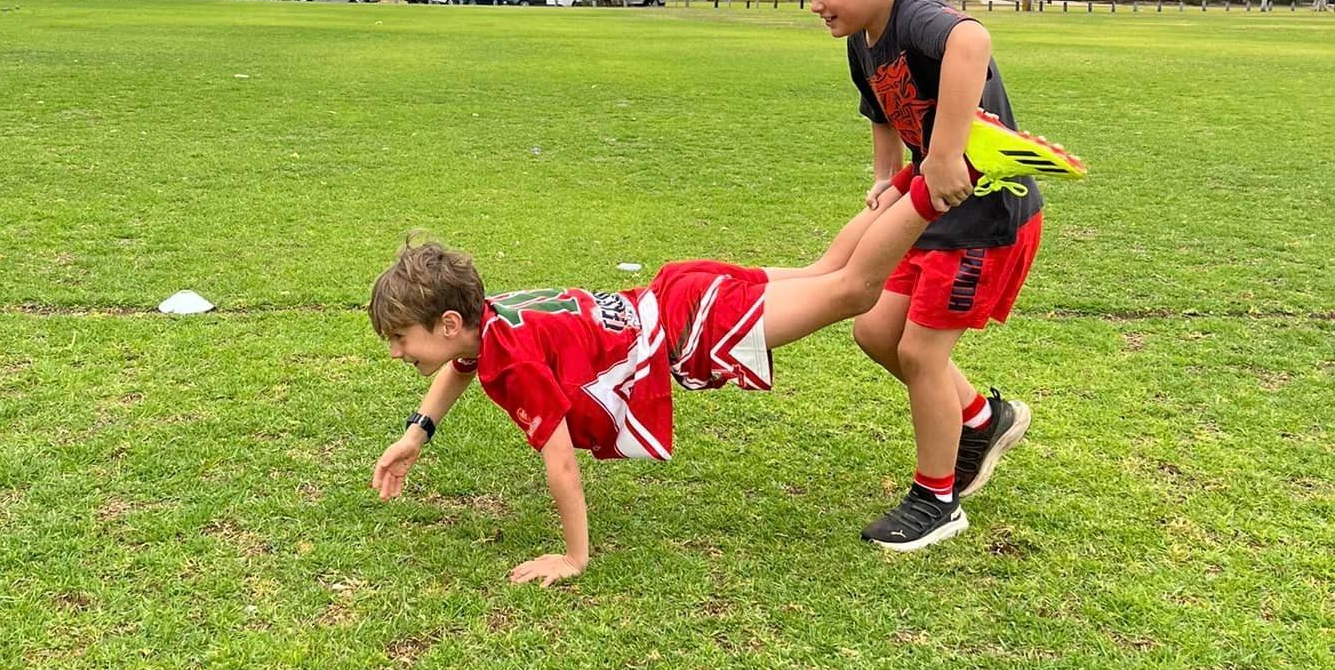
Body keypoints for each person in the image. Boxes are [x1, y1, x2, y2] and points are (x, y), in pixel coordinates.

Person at [367, 116, 1076, 585]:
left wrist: (574, 556)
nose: (399, 353)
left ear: (453, 320)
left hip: (690, 327)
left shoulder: (509, 363)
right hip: (678, 290)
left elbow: (559, 462)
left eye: (403, 339)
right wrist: (415, 436)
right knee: (829, 268)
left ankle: (936, 182)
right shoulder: (497, 320)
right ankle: (917, 176)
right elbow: (460, 368)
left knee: (853, 290)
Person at [793, 0, 1060, 553]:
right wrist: (887, 176)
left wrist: (943, 155)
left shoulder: (917, 17)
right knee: (876, 331)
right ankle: (980, 417)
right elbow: (881, 107)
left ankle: (938, 501)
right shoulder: (862, 39)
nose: (816, 4)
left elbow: (973, 41)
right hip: (930, 210)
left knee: (920, 353)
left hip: (986, 216)